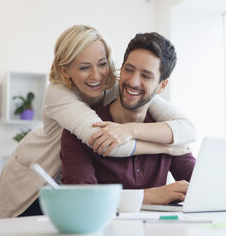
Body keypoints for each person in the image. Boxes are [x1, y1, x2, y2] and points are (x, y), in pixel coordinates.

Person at [0, 25, 196, 218]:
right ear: (65, 71)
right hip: (34, 179)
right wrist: (166, 148)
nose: (96, 75)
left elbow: (186, 129)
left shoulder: (120, 84)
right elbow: (109, 144)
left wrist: (132, 130)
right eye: (84, 67)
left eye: (102, 64)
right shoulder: (59, 95)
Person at [61, 32, 196, 204]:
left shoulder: (168, 133)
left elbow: (204, 186)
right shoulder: (80, 131)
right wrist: (150, 196)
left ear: (162, 86)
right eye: (129, 70)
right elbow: (81, 200)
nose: (133, 81)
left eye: (146, 76)